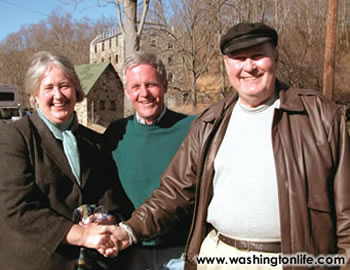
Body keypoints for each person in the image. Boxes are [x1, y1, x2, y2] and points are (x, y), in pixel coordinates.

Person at [106, 23, 350, 269]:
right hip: (219, 256)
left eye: (257, 56)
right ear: (226, 64)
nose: (248, 66)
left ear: (275, 57)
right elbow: (174, 193)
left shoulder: (321, 117)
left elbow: (347, 213)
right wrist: (129, 230)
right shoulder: (210, 122)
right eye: (238, 58)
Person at [0, 51, 133, 270]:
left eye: (64, 86)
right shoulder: (15, 137)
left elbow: (112, 197)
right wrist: (81, 235)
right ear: (35, 94)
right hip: (37, 261)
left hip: (90, 262)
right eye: (48, 88)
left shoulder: (94, 142)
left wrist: (107, 222)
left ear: (76, 90)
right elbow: (17, 209)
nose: (58, 95)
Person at [103, 50, 196, 269]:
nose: (144, 93)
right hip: (130, 251)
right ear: (127, 92)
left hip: (179, 249)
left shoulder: (191, 128)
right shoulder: (116, 133)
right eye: (135, 87)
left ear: (164, 85)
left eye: (151, 84)